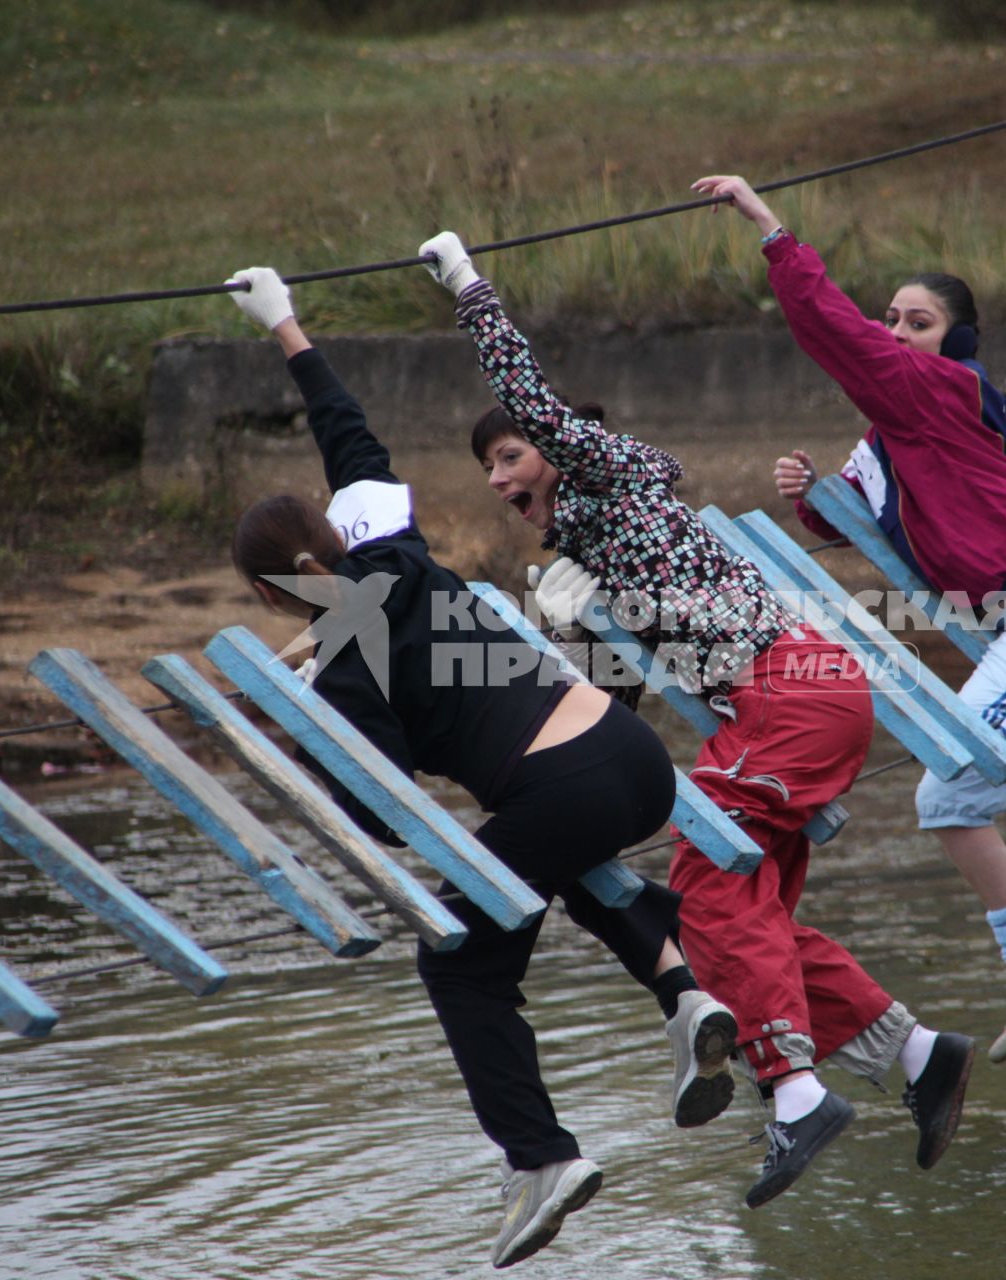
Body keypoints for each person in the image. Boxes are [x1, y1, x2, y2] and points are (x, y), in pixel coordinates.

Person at [418, 232, 975, 1208]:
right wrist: (549, 658)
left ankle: (798, 1095)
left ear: (552, 445)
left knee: (707, 882)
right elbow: (601, 716)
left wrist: (469, 288)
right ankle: (919, 1054)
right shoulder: (591, 553)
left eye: (509, 455)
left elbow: (538, 402)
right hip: (790, 696)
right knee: (734, 917)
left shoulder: (607, 472)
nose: (502, 482)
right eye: (489, 472)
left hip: (789, 687)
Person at [223, 266, 738, 1270]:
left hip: (561, 782)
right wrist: (282, 318)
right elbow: (348, 429)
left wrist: (300, 727)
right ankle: (689, 996)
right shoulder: (396, 555)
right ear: (338, 532)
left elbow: (381, 812)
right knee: (558, 866)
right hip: (632, 757)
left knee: (456, 955)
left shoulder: (340, 668)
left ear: (270, 594)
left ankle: (541, 1157)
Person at [689, 174, 1006, 1066]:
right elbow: (879, 515)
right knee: (942, 793)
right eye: (891, 318)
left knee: (975, 725)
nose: (898, 333)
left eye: (917, 322)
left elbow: (840, 338)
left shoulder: (950, 390)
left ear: (954, 343)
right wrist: (812, 505)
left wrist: (769, 228)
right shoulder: (887, 434)